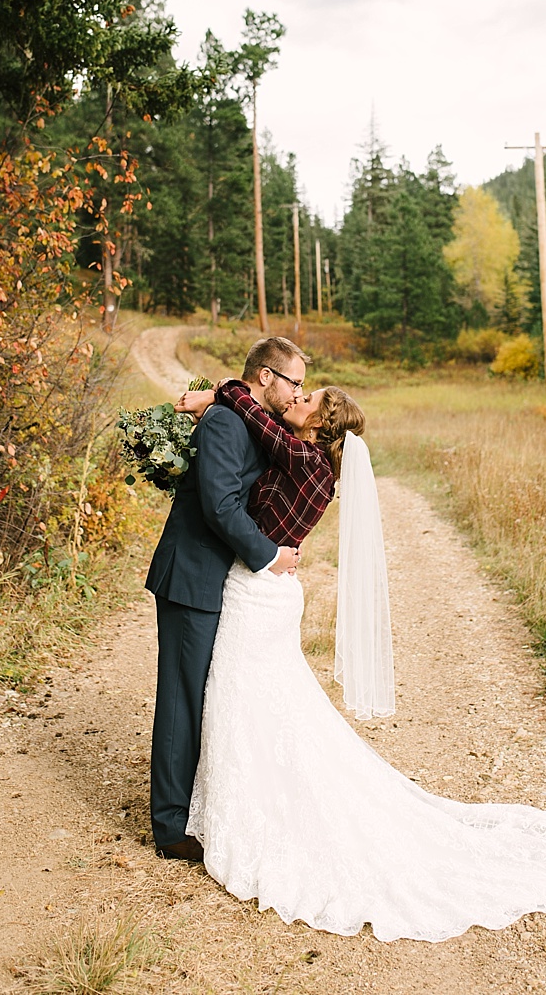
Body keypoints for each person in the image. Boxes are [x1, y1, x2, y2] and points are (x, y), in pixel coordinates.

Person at [169, 358, 546, 941]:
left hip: (261, 587)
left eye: (308, 400)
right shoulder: (317, 466)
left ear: (320, 428)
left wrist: (216, 396)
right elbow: (255, 430)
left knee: (250, 696)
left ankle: (258, 804)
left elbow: (252, 411)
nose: (296, 399)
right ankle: (239, 792)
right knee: (262, 700)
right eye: (298, 391)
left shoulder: (299, 455)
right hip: (270, 593)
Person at [145, 336, 303, 862]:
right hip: (192, 576)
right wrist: (268, 555)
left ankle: (192, 803)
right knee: (181, 698)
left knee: (205, 694)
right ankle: (169, 826)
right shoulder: (224, 423)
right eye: (294, 382)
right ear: (266, 377)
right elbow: (218, 505)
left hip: (217, 579)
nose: (297, 392)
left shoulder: (246, 417)